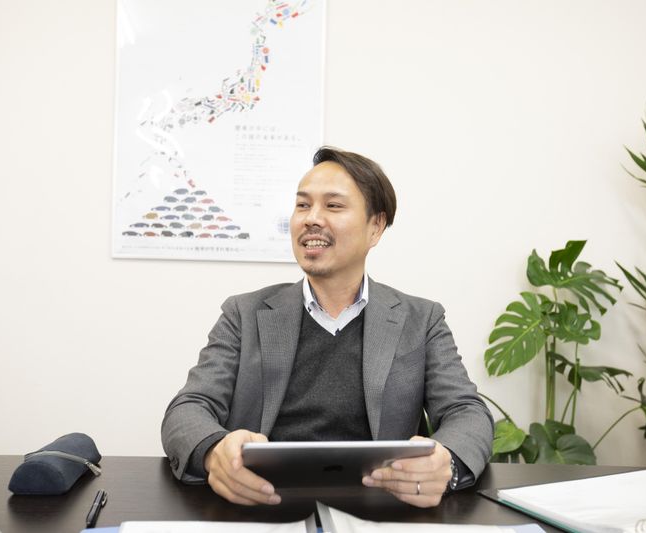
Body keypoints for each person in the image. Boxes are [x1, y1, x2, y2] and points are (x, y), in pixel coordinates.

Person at [161, 147, 493, 508]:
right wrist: (215, 452)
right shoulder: (243, 313)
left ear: (375, 227)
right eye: (302, 205)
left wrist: (446, 465)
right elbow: (188, 409)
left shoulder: (421, 319)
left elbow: (467, 412)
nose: (311, 219)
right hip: (261, 505)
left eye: (333, 206)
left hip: (380, 507)